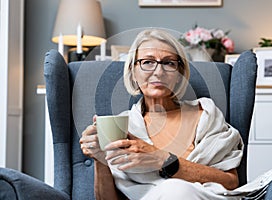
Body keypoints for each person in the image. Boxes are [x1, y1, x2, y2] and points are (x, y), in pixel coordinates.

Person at [80, 28, 243, 200]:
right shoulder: (121, 126)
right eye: (147, 62)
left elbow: (230, 182)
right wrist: (100, 159)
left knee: (177, 190)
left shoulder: (205, 115)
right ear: (133, 72)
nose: (158, 72)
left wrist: (163, 159)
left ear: (179, 74)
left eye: (169, 63)